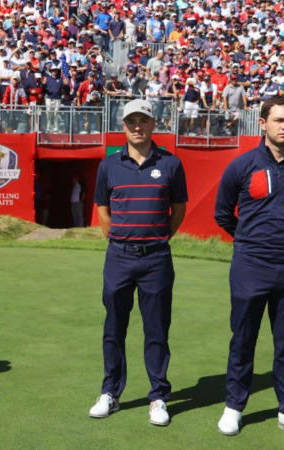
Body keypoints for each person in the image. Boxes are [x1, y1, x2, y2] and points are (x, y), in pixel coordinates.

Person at [214, 96, 284, 442]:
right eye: (279, 120)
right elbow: (223, 213)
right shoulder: (242, 165)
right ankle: (234, 406)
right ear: (262, 123)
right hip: (250, 266)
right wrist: (251, 240)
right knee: (243, 339)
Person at [90, 99, 188, 426]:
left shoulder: (171, 164)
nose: (137, 126)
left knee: (156, 330)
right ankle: (110, 392)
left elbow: (178, 209)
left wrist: (158, 237)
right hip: (118, 256)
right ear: (123, 126)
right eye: (131, 121)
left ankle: (158, 396)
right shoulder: (109, 165)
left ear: (152, 124)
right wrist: (120, 238)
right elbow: (103, 209)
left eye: (143, 120)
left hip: (156, 258)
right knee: (114, 328)